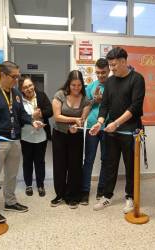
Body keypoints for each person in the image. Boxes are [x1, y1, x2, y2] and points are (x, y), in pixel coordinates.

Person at [0, 61, 44, 223]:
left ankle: (10, 202)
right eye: (14, 76)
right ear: (3, 75)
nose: (17, 80)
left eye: (18, 76)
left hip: (15, 140)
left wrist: (31, 121)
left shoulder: (16, 93)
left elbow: (20, 115)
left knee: (11, 175)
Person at [90, 47, 145, 213]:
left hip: (130, 132)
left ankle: (130, 197)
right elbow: (104, 106)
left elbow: (135, 107)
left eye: (114, 65)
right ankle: (107, 196)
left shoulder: (137, 79)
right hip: (112, 132)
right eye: (110, 65)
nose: (111, 69)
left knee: (130, 166)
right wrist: (100, 123)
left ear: (123, 61)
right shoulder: (110, 82)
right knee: (109, 164)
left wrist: (117, 123)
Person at [51, 70, 91, 209]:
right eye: (73, 85)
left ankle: (73, 195)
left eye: (79, 85)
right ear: (68, 83)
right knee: (60, 164)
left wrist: (76, 124)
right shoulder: (59, 95)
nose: (76, 88)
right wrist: (73, 119)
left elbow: (83, 119)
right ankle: (60, 195)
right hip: (59, 134)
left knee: (74, 165)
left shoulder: (85, 99)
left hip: (76, 135)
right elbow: (57, 116)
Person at [80, 58, 110, 205]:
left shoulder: (114, 85)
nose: (100, 76)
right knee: (89, 159)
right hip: (92, 126)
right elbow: (86, 105)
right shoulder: (91, 86)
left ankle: (101, 190)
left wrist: (104, 100)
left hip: (108, 127)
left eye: (103, 73)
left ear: (109, 70)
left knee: (106, 160)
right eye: (98, 73)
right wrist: (94, 101)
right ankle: (85, 191)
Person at [18, 76, 53, 197]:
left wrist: (41, 114)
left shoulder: (41, 95)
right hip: (26, 136)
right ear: (21, 89)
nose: (29, 89)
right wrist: (32, 117)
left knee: (40, 161)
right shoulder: (19, 99)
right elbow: (18, 118)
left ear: (33, 85)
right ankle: (28, 185)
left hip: (41, 136)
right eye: (25, 87)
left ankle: (40, 185)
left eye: (30, 85)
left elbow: (50, 110)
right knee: (27, 161)